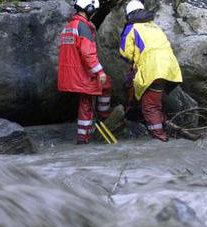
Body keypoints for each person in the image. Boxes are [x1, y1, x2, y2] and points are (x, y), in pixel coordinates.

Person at [119, 0, 183, 142]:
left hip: (153, 68)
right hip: (170, 68)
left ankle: (159, 136)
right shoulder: (154, 26)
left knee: (150, 106)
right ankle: (166, 125)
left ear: (129, 14)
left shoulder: (132, 27)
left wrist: (134, 60)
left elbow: (124, 52)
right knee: (155, 100)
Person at [58, 0, 112, 144]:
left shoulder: (69, 26)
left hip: (70, 74)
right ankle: (102, 120)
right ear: (88, 8)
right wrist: (100, 71)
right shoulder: (83, 27)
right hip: (81, 73)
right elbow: (87, 54)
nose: (94, 13)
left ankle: (85, 134)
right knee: (100, 89)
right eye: (93, 10)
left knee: (88, 98)